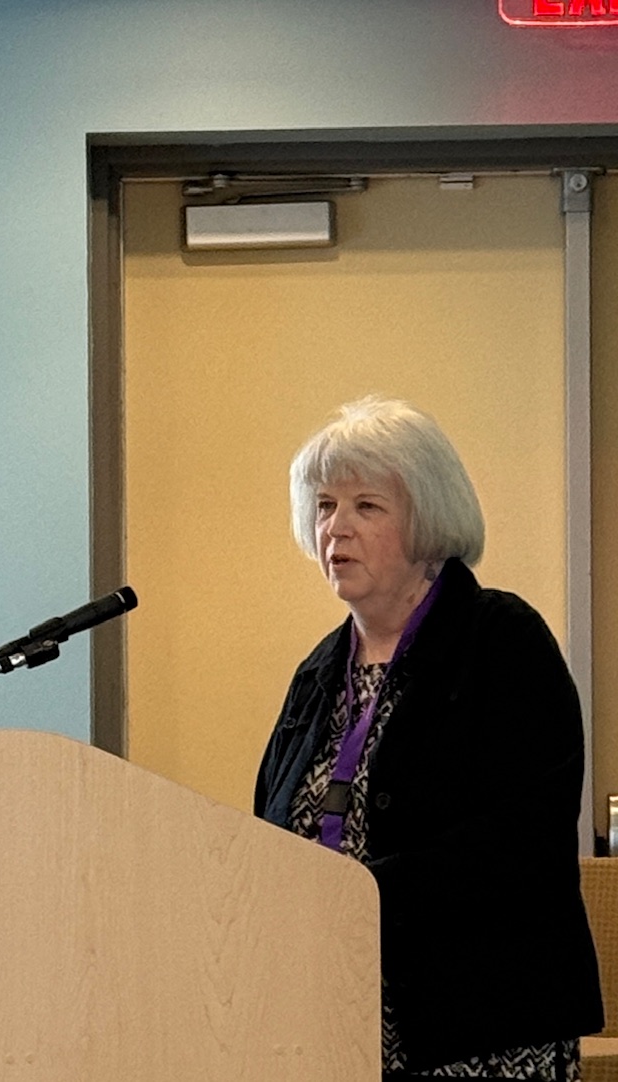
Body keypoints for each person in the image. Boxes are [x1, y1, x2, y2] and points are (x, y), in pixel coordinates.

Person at [254, 396, 603, 1081]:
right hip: (330, 1020)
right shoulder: (318, 673)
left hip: (478, 1030)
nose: (336, 529)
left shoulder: (501, 642)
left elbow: (519, 839)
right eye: (324, 506)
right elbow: (268, 826)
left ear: (428, 519)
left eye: (366, 507)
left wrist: (355, 899)